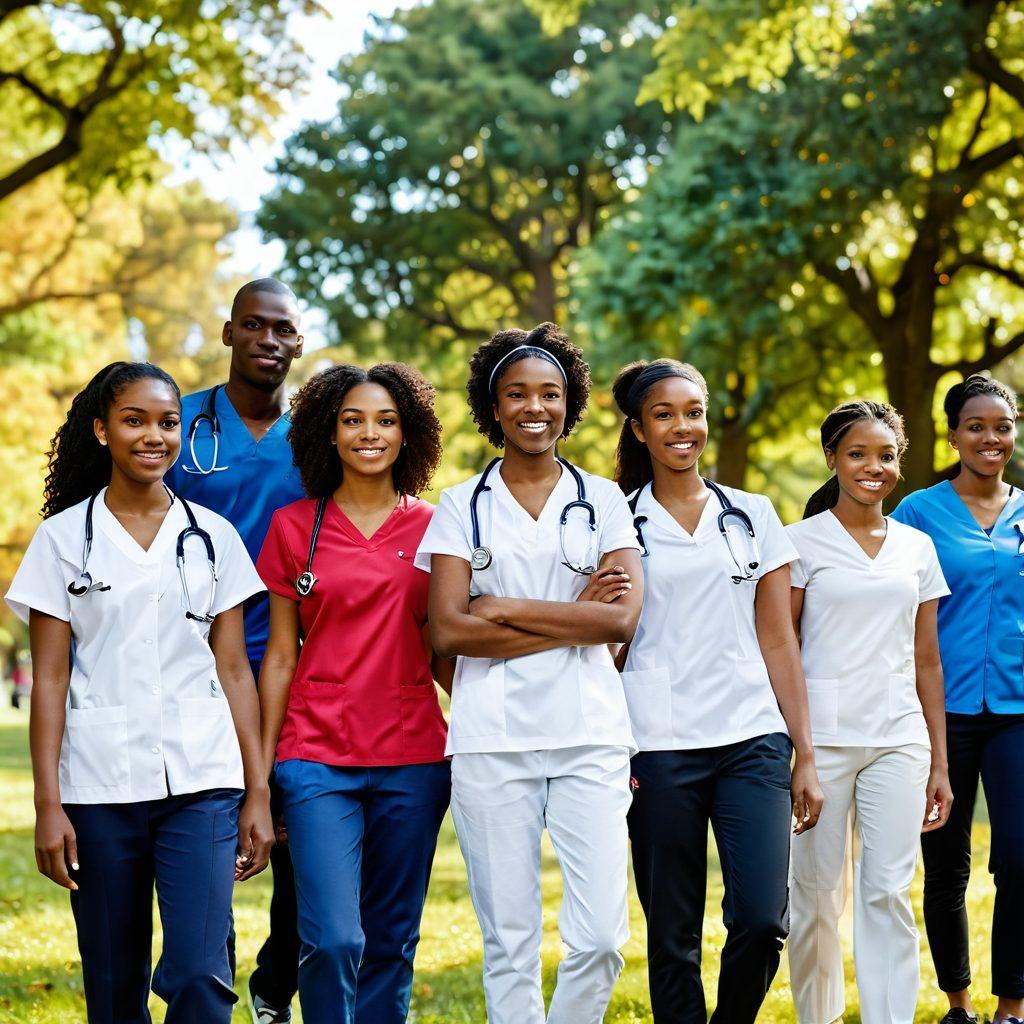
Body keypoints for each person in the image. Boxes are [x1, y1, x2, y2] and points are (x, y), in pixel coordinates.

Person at [5, 361, 273, 1024]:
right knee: (113, 982)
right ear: (102, 430)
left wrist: (257, 791)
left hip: (202, 781)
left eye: (168, 422)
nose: (154, 436)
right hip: (99, 787)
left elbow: (235, 669)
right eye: (135, 420)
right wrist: (48, 804)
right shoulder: (62, 540)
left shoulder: (214, 536)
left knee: (202, 974)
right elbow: (50, 678)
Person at [416, 324, 644, 1024]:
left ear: (569, 404)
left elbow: (619, 621)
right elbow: (447, 631)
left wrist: (503, 607)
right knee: (509, 941)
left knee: (601, 938)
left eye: (550, 393)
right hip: (492, 740)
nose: (534, 407)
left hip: (590, 736)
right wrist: (574, 614)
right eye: (516, 394)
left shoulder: (603, 499)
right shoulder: (461, 505)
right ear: (494, 407)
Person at [611, 358, 823, 1024]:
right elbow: (607, 640)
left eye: (694, 412)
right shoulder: (617, 521)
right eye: (664, 414)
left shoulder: (752, 514)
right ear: (640, 429)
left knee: (762, 919)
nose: (683, 426)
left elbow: (779, 638)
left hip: (750, 738)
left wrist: (805, 752)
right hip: (657, 742)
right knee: (672, 933)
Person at [256, 363, 451, 1024]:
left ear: (407, 433)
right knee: (334, 938)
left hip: (413, 758)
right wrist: (263, 772)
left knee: (391, 939)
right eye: (353, 420)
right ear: (329, 433)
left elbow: (448, 647)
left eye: (386, 421)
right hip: (315, 757)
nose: (371, 433)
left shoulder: (438, 529)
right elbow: (281, 656)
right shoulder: (293, 527)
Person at [165, 276, 305, 1024]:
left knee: (303, 838)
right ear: (228, 333)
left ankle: (274, 984)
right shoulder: (176, 422)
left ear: (299, 343)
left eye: (281, 329)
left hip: (294, 664)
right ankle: (207, 985)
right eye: (253, 325)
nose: (267, 340)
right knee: (208, 841)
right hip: (193, 667)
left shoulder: (319, 433)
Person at [786, 400, 953, 1024]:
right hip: (821, 742)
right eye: (858, 454)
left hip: (898, 740)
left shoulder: (917, 547)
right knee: (815, 895)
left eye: (886, 456)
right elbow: (782, 645)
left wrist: (939, 763)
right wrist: (797, 749)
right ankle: (819, 1017)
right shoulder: (797, 543)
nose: (873, 467)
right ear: (832, 458)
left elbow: (927, 659)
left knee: (887, 891)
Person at [891, 374, 1024, 1024]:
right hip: (937, 713)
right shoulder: (917, 513)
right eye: (976, 426)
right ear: (953, 436)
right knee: (945, 863)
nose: (990, 438)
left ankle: (1012, 1007)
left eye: (1002, 426)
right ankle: (958, 1004)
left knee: (1021, 859)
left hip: (1017, 713)